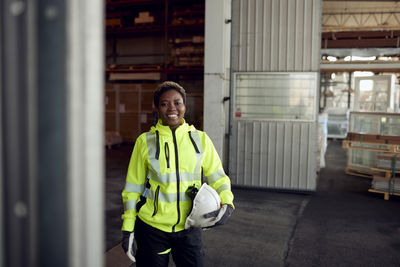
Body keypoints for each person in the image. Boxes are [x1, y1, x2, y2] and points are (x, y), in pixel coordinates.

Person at [120, 81, 234, 267]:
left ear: (184, 106)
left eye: (177, 102)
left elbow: (218, 177)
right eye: (164, 103)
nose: (172, 108)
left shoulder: (200, 139)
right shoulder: (145, 142)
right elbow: (132, 188)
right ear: (156, 108)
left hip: (190, 226)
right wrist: (128, 228)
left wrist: (227, 201)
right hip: (152, 228)